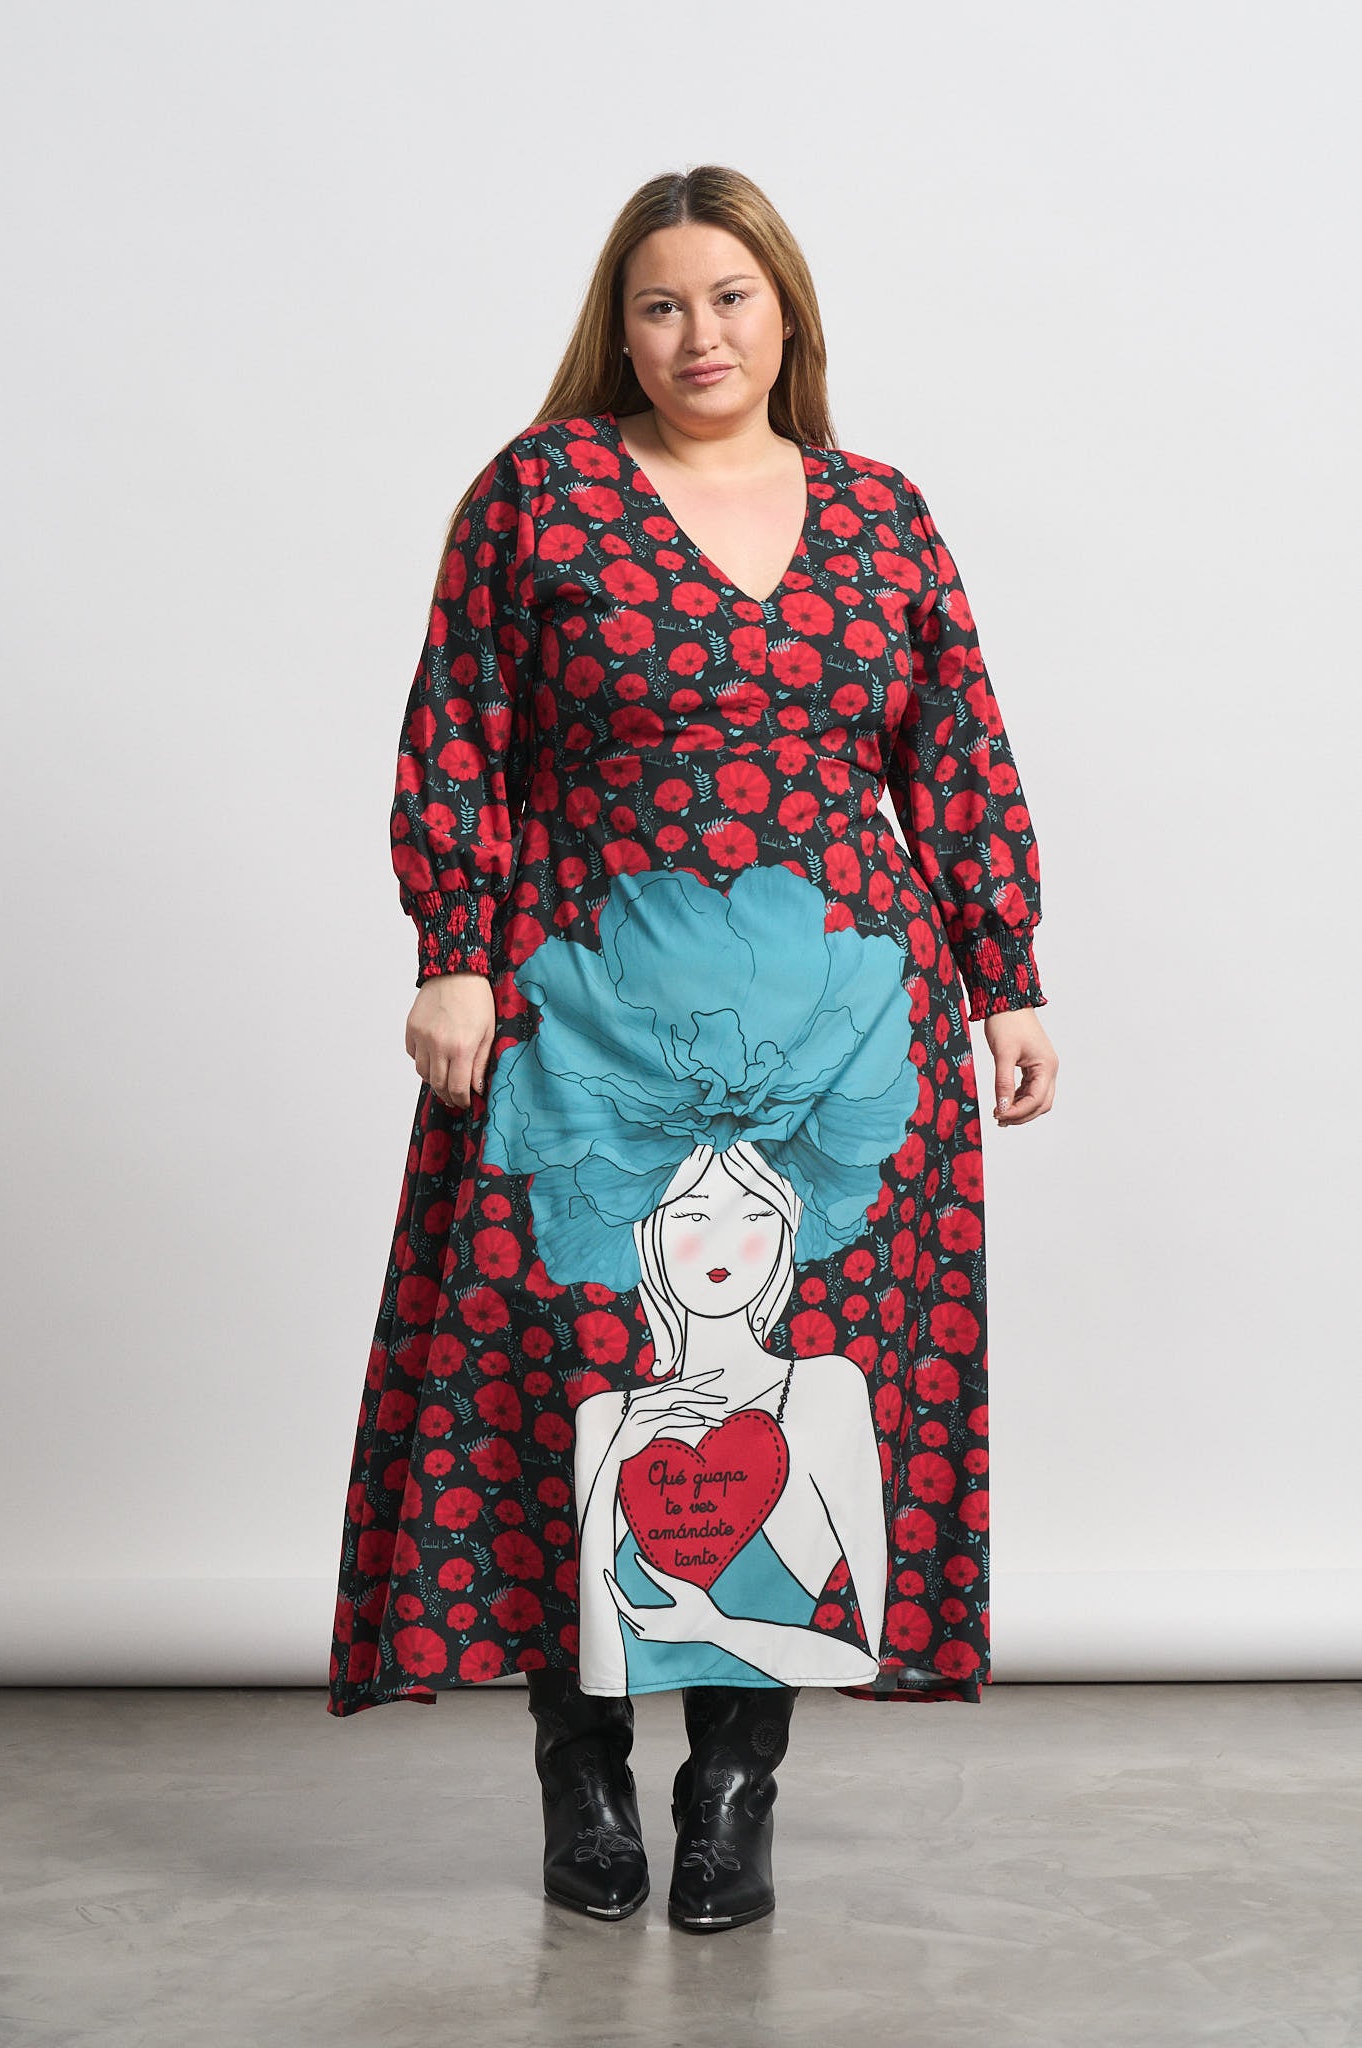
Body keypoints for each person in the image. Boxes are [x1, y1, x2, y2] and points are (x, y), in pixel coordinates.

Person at [325, 163, 1060, 1934]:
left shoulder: (880, 511)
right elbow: (457, 734)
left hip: (841, 1041)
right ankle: (578, 1768)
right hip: (584, 1010)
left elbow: (953, 747)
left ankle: (733, 1790)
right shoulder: (539, 491)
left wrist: (1004, 975)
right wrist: (453, 955)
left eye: (728, 297)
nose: (697, 334)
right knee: (577, 1371)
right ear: (620, 327)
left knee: (789, 1388)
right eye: (659, 305)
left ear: (784, 311)